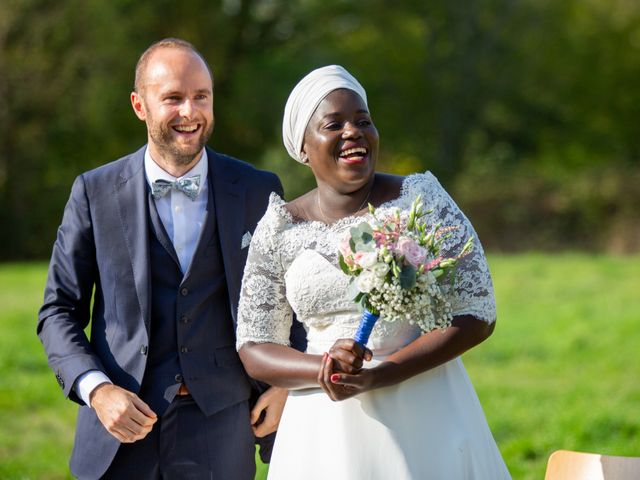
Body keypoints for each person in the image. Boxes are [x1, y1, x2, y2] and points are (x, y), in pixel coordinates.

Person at [37, 38, 303, 479]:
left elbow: (294, 299)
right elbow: (57, 311)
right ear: (139, 105)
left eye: (201, 96)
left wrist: (283, 386)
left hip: (223, 428)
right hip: (121, 431)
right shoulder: (93, 192)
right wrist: (98, 391)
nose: (190, 111)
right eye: (173, 98)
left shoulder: (257, 189)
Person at [236, 65, 511, 479]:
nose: (353, 131)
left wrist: (384, 374)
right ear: (304, 148)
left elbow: (478, 312)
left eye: (363, 121)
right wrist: (321, 368)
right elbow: (255, 346)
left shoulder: (419, 201)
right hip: (320, 429)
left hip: (424, 411)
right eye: (335, 124)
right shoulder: (279, 229)